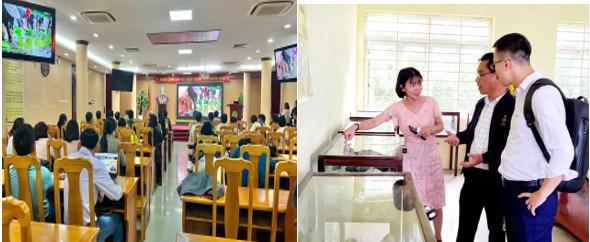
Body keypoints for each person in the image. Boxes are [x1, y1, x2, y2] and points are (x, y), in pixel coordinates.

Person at [343, 67, 445, 241]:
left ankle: (437, 237)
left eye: (419, 83)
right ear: (402, 87)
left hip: (430, 157)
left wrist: (430, 129)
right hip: (410, 159)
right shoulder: (397, 108)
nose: (417, 87)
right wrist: (356, 126)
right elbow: (376, 121)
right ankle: (411, 236)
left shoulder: (430, 102)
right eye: (412, 84)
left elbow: (440, 125)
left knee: (435, 200)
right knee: (411, 202)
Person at [494, 33, 574, 242]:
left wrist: (542, 193)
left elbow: (564, 150)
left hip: (531, 195)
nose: (496, 72)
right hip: (516, 193)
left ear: (506, 63)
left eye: (495, 64)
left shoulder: (541, 94)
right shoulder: (524, 93)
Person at [445, 52, 514, 242]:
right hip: (472, 177)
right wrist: (458, 138)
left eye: (481, 74)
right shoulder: (480, 104)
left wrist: (484, 158)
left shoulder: (512, 106)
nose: (477, 79)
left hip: (496, 181)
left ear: (497, 75)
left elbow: (508, 146)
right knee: (465, 229)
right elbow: (472, 132)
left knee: (496, 230)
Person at [66, 128, 124, 242]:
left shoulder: (68, 159)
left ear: (79, 144)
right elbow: (116, 195)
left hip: (67, 228)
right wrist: (120, 187)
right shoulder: (96, 164)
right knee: (117, 220)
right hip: (88, 230)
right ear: (97, 146)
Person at [9, 124, 55, 222]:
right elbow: (52, 186)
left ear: (14, 147)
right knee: (52, 208)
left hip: (18, 219)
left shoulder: (10, 171)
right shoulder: (43, 172)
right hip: (42, 219)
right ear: (34, 148)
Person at [147, 114, 164, 185]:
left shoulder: (146, 129)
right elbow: (161, 141)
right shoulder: (158, 130)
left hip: (146, 150)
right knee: (159, 161)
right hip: (155, 151)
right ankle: (158, 179)